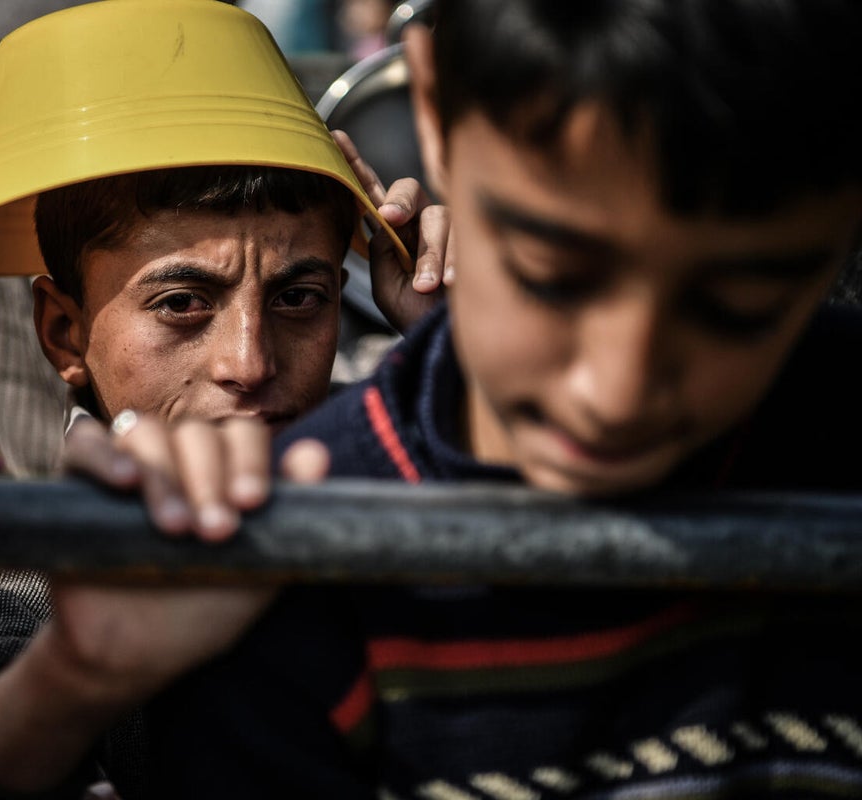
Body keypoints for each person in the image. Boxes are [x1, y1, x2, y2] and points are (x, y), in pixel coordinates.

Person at [140, 1, 862, 797]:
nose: (616, 395)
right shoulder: (288, 595)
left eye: (739, 308)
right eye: (549, 277)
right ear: (432, 103)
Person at [0, 2, 446, 796]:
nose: (249, 363)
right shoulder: (16, 598)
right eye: (183, 303)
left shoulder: (400, 497)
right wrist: (67, 685)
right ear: (62, 333)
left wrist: (460, 349)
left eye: (299, 298)